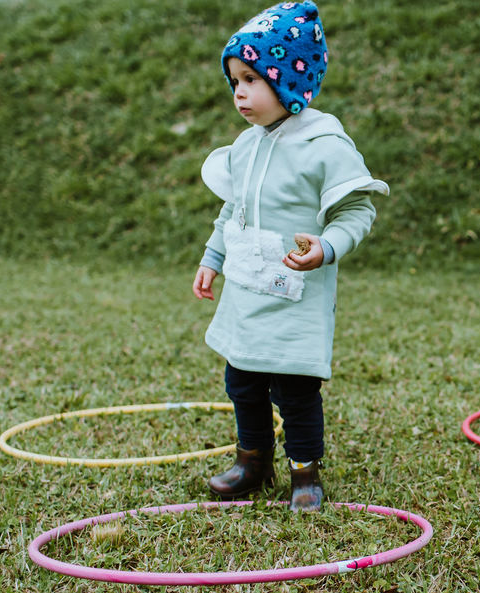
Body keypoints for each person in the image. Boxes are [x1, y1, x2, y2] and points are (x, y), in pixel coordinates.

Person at [192, 1, 388, 511]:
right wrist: (212, 258)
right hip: (246, 289)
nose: (239, 92)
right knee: (242, 379)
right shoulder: (245, 146)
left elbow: (356, 212)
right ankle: (251, 461)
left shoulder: (324, 143)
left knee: (296, 389)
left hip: (296, 293)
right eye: (234, 80)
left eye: (252, 78)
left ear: (290, 81)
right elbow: (232, 211)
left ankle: (305, 473)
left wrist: (327, 246)